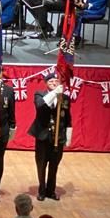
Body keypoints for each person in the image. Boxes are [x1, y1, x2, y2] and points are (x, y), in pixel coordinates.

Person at [29, 70, 72, 201]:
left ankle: (51, 190)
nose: (54, 83)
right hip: (43, 136)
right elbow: (41, 106)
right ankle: (42, 190)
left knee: (54, 165)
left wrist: (68, 137)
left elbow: (68, 118)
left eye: (56, 81)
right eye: (51, 81)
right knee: (41, 164)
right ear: (46, 83)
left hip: (57, 137)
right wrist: (54, 93)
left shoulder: (64, 98)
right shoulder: (39, 94)